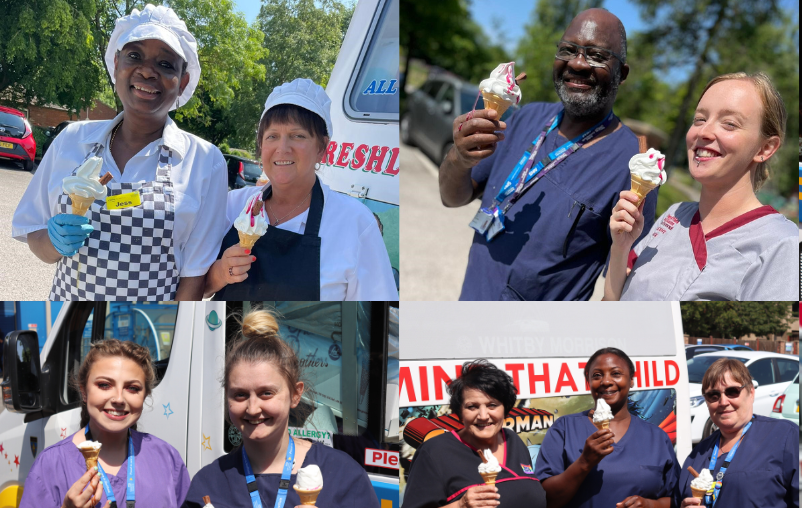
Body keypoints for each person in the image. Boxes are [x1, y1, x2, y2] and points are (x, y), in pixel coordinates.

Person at [173, 311, 395, 508]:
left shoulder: (344, 474)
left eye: (266, 393)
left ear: (295, 395)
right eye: (240, 395)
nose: (253, 408)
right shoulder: (208, 483)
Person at [439, 8, 657, 301]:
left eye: (596, 55)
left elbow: (621, 293)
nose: (578, 63)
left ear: (622, 73)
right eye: (568, 50)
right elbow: (452, 198)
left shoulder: (634, 165)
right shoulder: (523, 118)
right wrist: (459, 158)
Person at [11, 4, 225, 300]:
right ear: (116, 63)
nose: (147, 70)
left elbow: (194, 276)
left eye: (165, 64)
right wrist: (53, 241)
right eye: (134, 55)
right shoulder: (72, 139)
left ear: (183, 81)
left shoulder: (205, 161)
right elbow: (35, 235)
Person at [0, 339, 190, 508]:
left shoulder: (166, 459)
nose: (118, 398)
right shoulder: (52, 465)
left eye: (133, 388)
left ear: (144, 396)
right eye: (104, 385)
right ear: (83, 390)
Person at [604, 72, 798, 301]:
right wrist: (621, 247)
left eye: (729, 124)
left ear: (765, 148)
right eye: (700, 119)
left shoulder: (783, 245)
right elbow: (611, 304)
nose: (704, 132)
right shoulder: (674, 214)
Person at [204, 79, 398, 300]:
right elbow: (195, 288)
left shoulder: (355, 224)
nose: (283, 148)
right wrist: (221, 272)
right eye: (272, 136)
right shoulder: (232, 205)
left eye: (298, 136)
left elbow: (370, 316)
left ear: (322, 148)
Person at [398, 360, 552, 508]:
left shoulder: (514, 442)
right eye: (472, 406)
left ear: (505, 407)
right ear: (459, 410)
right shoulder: (435, 452)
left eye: (492, 405)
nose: (483, 415)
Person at [534, 348, 680, 508]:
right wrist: (584, 462)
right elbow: (545, 499)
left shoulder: (655, 437)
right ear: (588, 381)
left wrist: (649, 506)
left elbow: (676, 502)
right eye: (597, 375)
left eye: (616, 373)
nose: (606, 381)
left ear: (632, 380)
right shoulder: (565, 429)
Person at [668, 358, 799, 508]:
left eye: (732, 391)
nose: (723, 401)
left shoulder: (784, 438)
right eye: (713, 395)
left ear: (750, 392)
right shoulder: (697, 456)